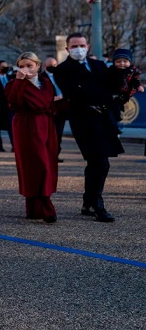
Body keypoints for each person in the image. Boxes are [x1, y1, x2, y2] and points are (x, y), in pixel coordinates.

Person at [52, 33, 124, 222]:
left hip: (104, 119)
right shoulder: (62, 70)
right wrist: (99, 94)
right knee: (100, 161)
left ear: (88, 46)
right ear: (67, 49)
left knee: (97, 163)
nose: (79, 49)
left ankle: (88, 201)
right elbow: (75, 95)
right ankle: (97, 203)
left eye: (82, 45)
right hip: (84, 121)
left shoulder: (99, 65)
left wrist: (120, 70)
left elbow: (113, 88)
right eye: (74, 46)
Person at [5, 52, 58, 223]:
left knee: (47, 163)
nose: (25, 69)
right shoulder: (13, 84)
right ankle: (46, 205)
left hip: (47, 125)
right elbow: (13, 102)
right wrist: (19, 81)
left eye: (29, 65)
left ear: (38, 65)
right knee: (35, 164)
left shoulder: (46, 83)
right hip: (26, 126)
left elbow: (50, 103)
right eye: (21, 66)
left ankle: (33, 208)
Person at [106, 48, 144, 130]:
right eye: (118, 61)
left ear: (130, 62)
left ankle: (116, 121)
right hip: (112, 93)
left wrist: (139, 86)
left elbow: (136, 80)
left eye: (125, 61)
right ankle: (113, 123)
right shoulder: (111, 70)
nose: (122, 64)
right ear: (114, 62)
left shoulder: (133, 71)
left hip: (125, 93)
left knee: (118, 107)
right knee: (112, 108)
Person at [44, 57, 68, 162]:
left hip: (61, 110)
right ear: (45, 66)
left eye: (55, 65)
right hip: (49, 110)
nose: (53, 67)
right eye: (51, 65)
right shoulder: (41, 78)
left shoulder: (60, 76)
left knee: (58, 134)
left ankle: (55, 155)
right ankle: (47, 155)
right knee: (48, 135)